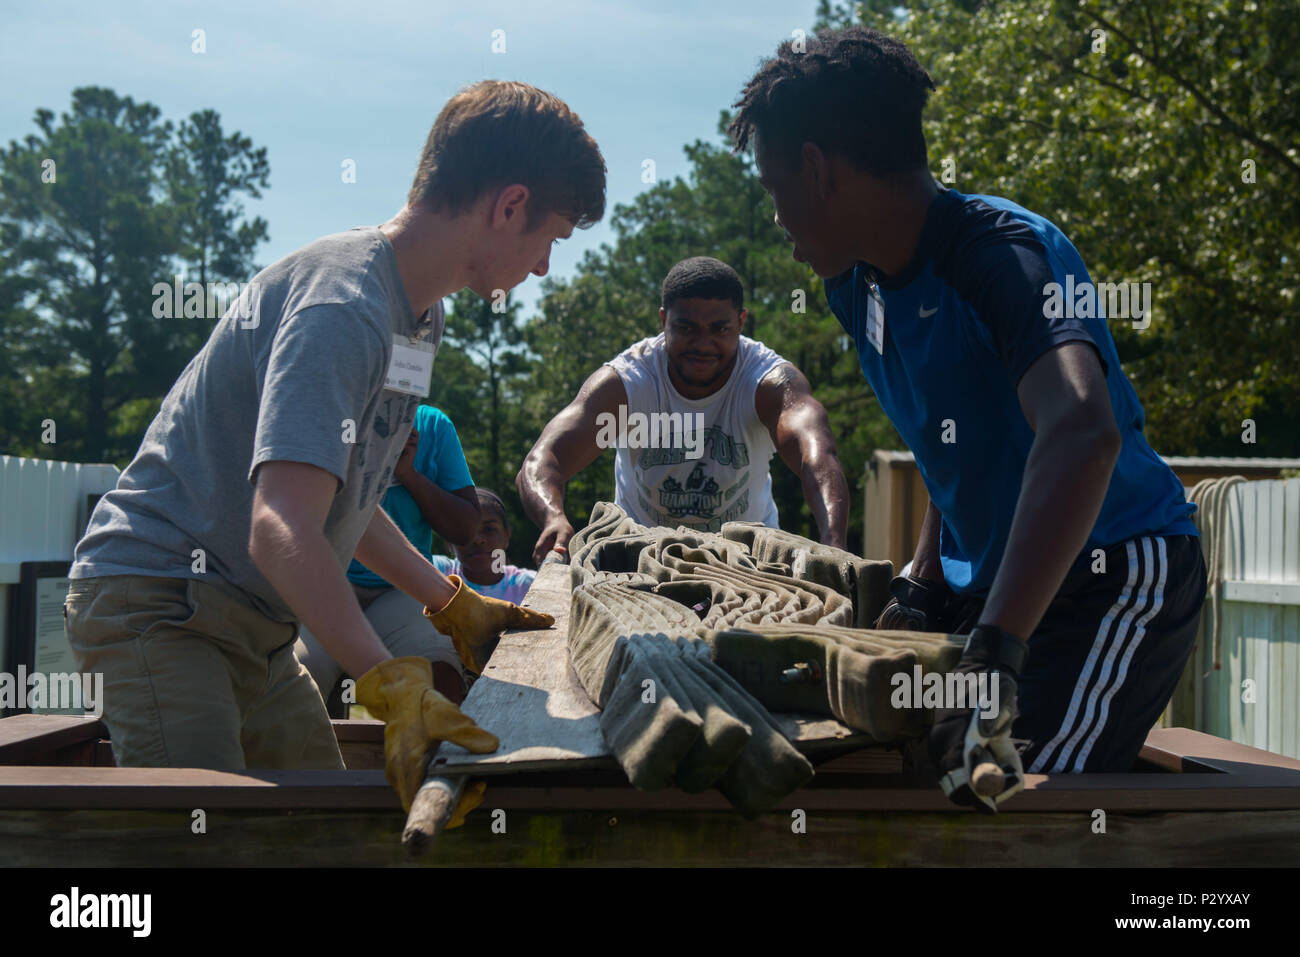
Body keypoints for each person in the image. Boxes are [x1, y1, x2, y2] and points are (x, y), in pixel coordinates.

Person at [63, 80, 605, 816]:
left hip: (251, 625)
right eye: (553, 237)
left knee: (318, 830)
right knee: (208, 839)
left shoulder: (418, 318)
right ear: (510, 205)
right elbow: (280, 528)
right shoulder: (343, 305)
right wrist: (393, 684)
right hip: (161, 604)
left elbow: (343, 503)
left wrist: (451, 604)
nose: (544, 265)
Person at [730, 27, 1206, 809]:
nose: (777, 217)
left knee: (996, 803)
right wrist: (922, 580)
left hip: (1114, 571)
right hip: (992, 584)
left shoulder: (1006, 257)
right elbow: (951, 444)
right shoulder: (855, 286)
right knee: (888, 754)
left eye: (775, 187)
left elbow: (1084, 432)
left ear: (816, 169)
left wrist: (996, 646)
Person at [517, 256, 850, 565]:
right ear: (664, 320)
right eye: (686, 328)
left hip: (748, 557)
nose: (703, 344)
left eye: (720, 329)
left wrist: (833, 541)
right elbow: (543, 460)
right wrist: (553, 517)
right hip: (639, 553)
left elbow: (818, 456)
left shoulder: (767, 383)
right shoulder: (629, 383)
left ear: (741, 321)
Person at [295, 405, 482, 708]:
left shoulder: (432, 425)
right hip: (322, 585)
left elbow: (464, 531)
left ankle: (439, 754)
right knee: (299, 677)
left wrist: (408, 474)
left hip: (404, 590)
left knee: (440, 676)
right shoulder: (319, 412)